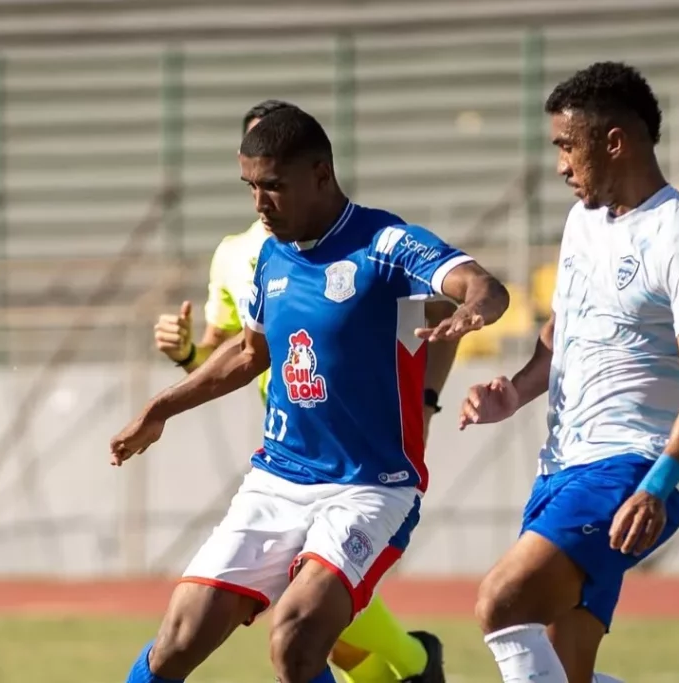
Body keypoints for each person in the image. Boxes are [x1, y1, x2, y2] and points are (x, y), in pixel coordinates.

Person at [112, 105, 510, 683]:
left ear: (321, 174)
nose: (258, 203)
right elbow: (250, 354)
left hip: (370, 486)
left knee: (295, 638)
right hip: (277, 478)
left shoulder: (386, 244)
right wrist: (159, 409)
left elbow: (482, 285)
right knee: (177, 640)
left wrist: (472, 310)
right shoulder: (270, 255)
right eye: (249, 186)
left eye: (272, 186)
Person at [458, 62, 679, 683]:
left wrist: (658, 485)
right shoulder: (581, 222)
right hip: (560, 468)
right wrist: (516, 392)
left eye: (567, 145)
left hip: (629, 470)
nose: (560, 164)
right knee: (565, 671)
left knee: (500, 604)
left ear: (614, 141)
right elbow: (565, 331)